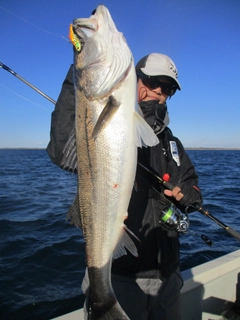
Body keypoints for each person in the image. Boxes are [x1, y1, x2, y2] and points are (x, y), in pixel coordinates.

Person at [47, 53, 203, 320]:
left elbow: (194, 189)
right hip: (120, 273)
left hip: (168, 274)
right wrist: (82, 73)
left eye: (167, 89)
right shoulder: (112, 127)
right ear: (134, 79)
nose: (159, 92)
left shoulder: (172, 144)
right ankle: (100, 292)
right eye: (153, 82)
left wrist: (188, 195)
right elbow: (62, 152)